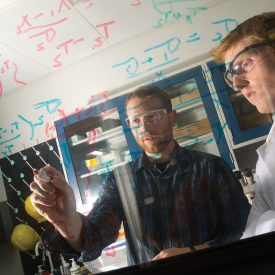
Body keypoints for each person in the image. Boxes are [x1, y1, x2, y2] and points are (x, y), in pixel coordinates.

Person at [30, 86, 250, 265]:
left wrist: (194, 252)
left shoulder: (210, 167)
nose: (144, 126)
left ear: (172, 118)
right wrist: (65, 218)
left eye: (153, 116)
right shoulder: (120, 179)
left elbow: (241, 229)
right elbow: (95, 237)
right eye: (135, 121)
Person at [212, 12, 275, 238]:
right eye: (231, 76)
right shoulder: (270, 150)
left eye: (244, 64)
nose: (236, 85)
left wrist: (268, 219)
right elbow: (251, 235)